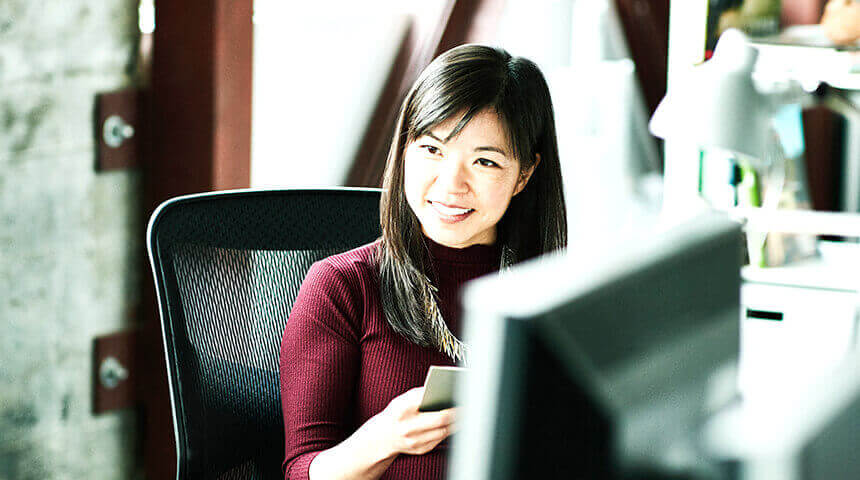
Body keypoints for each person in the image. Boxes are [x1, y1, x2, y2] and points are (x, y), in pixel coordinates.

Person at [279, 44, 567, 480]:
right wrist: (386, 437)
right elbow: (301, 471)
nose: (452, 184)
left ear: (524, 174)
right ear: (405, 149)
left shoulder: (552, 292)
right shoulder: (342, 286)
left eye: (485, 161)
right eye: (432, 150)